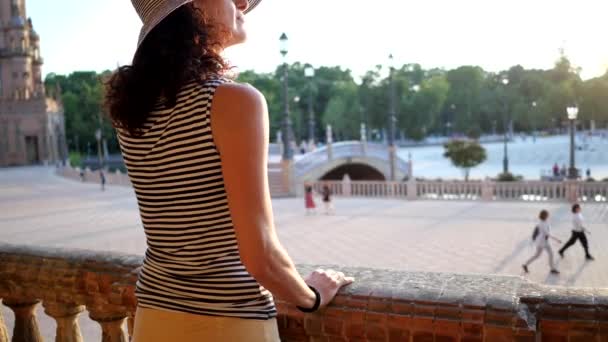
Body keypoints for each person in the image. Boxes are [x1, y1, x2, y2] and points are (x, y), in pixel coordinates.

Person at [104, 1, 353, 341]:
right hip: (229, 322)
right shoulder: (234, 101)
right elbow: (260, 254)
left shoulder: (133, 113)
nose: (243, 3)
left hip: (153, 316)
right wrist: (313, 296)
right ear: (192, 8)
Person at [522, 210, 561, 274]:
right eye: (547, 215)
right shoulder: (542, 223)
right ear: (545, 215)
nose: (548, 216)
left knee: (542, 255)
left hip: (543, 241)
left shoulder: (544, 222)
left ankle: (525, 264)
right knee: (542, 255)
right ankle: (552, 269)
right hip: (542, 242)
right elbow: (547, 233)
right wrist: (557, 239)